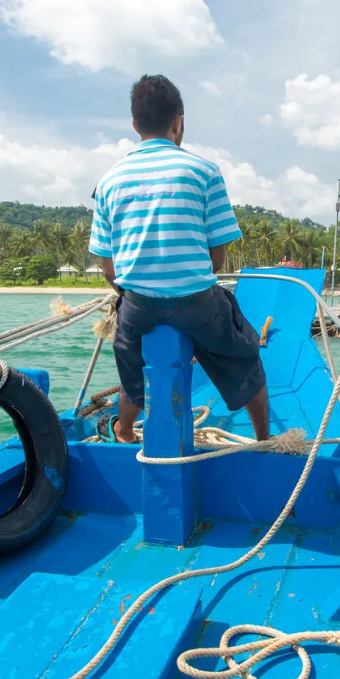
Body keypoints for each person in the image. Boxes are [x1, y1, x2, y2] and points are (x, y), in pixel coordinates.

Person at [90, 74, 271, 444]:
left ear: (134, 124)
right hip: (198, 305)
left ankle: (124, 430)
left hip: (137, 307)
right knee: (244, 356)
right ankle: (264, 438)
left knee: (132, 366)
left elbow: (109, 270)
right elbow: (216, 259)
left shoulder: (108, 182)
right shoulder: (204, 172)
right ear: (179, 122)